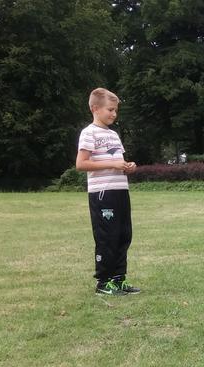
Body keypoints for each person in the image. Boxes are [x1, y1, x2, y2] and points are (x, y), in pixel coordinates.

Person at [76, 87, 139, 295]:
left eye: (115, 110)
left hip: (120, 191)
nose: (114, 114)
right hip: (102, 193)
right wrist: (112, 164)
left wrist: (129, 166)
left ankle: (119, 279)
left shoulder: (113, 135)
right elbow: (81, 164)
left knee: (123, 235)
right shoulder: (88, 133)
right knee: (107, 237)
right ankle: (103, 282)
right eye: (110, 109)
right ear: (95, 108)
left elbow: (118, 161)